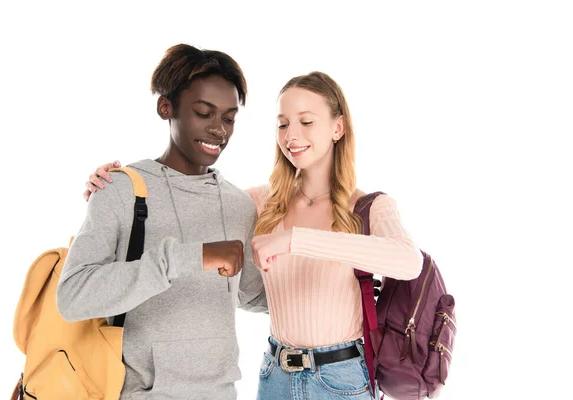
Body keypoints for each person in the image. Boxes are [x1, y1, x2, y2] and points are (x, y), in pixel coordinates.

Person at [86, 72, 423, 400]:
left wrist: (293, 239)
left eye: (306, 121)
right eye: (283, 123)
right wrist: (117, 189)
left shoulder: (369, 207)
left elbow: (409, 262)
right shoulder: (261, 203)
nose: (291, 134)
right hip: (274, 375)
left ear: (338, 127)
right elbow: (185, 211)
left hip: (341, 379)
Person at [57, 43, 267, 400]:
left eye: (229, 118)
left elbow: (251, 293)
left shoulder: (238, 204)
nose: (219, 130)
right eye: (204, 112)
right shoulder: (121, 189)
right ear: (165, 107)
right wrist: (189, 258)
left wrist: (327, 282)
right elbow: (73, 296)